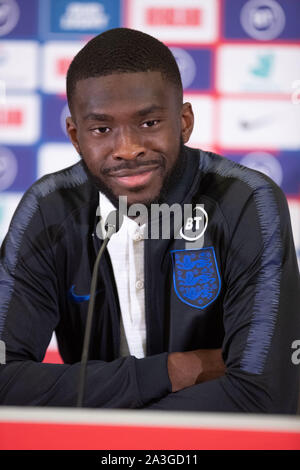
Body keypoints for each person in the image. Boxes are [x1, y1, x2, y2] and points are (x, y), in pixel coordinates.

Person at [0, 28, 299, 412]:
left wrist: (106, 421)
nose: (127, 149)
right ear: (76, 137)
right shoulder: (48, 210)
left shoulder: (245, 201)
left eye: (149, 123)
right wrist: (174, 370)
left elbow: (264, 395)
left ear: (185, 122)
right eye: (102, 129)